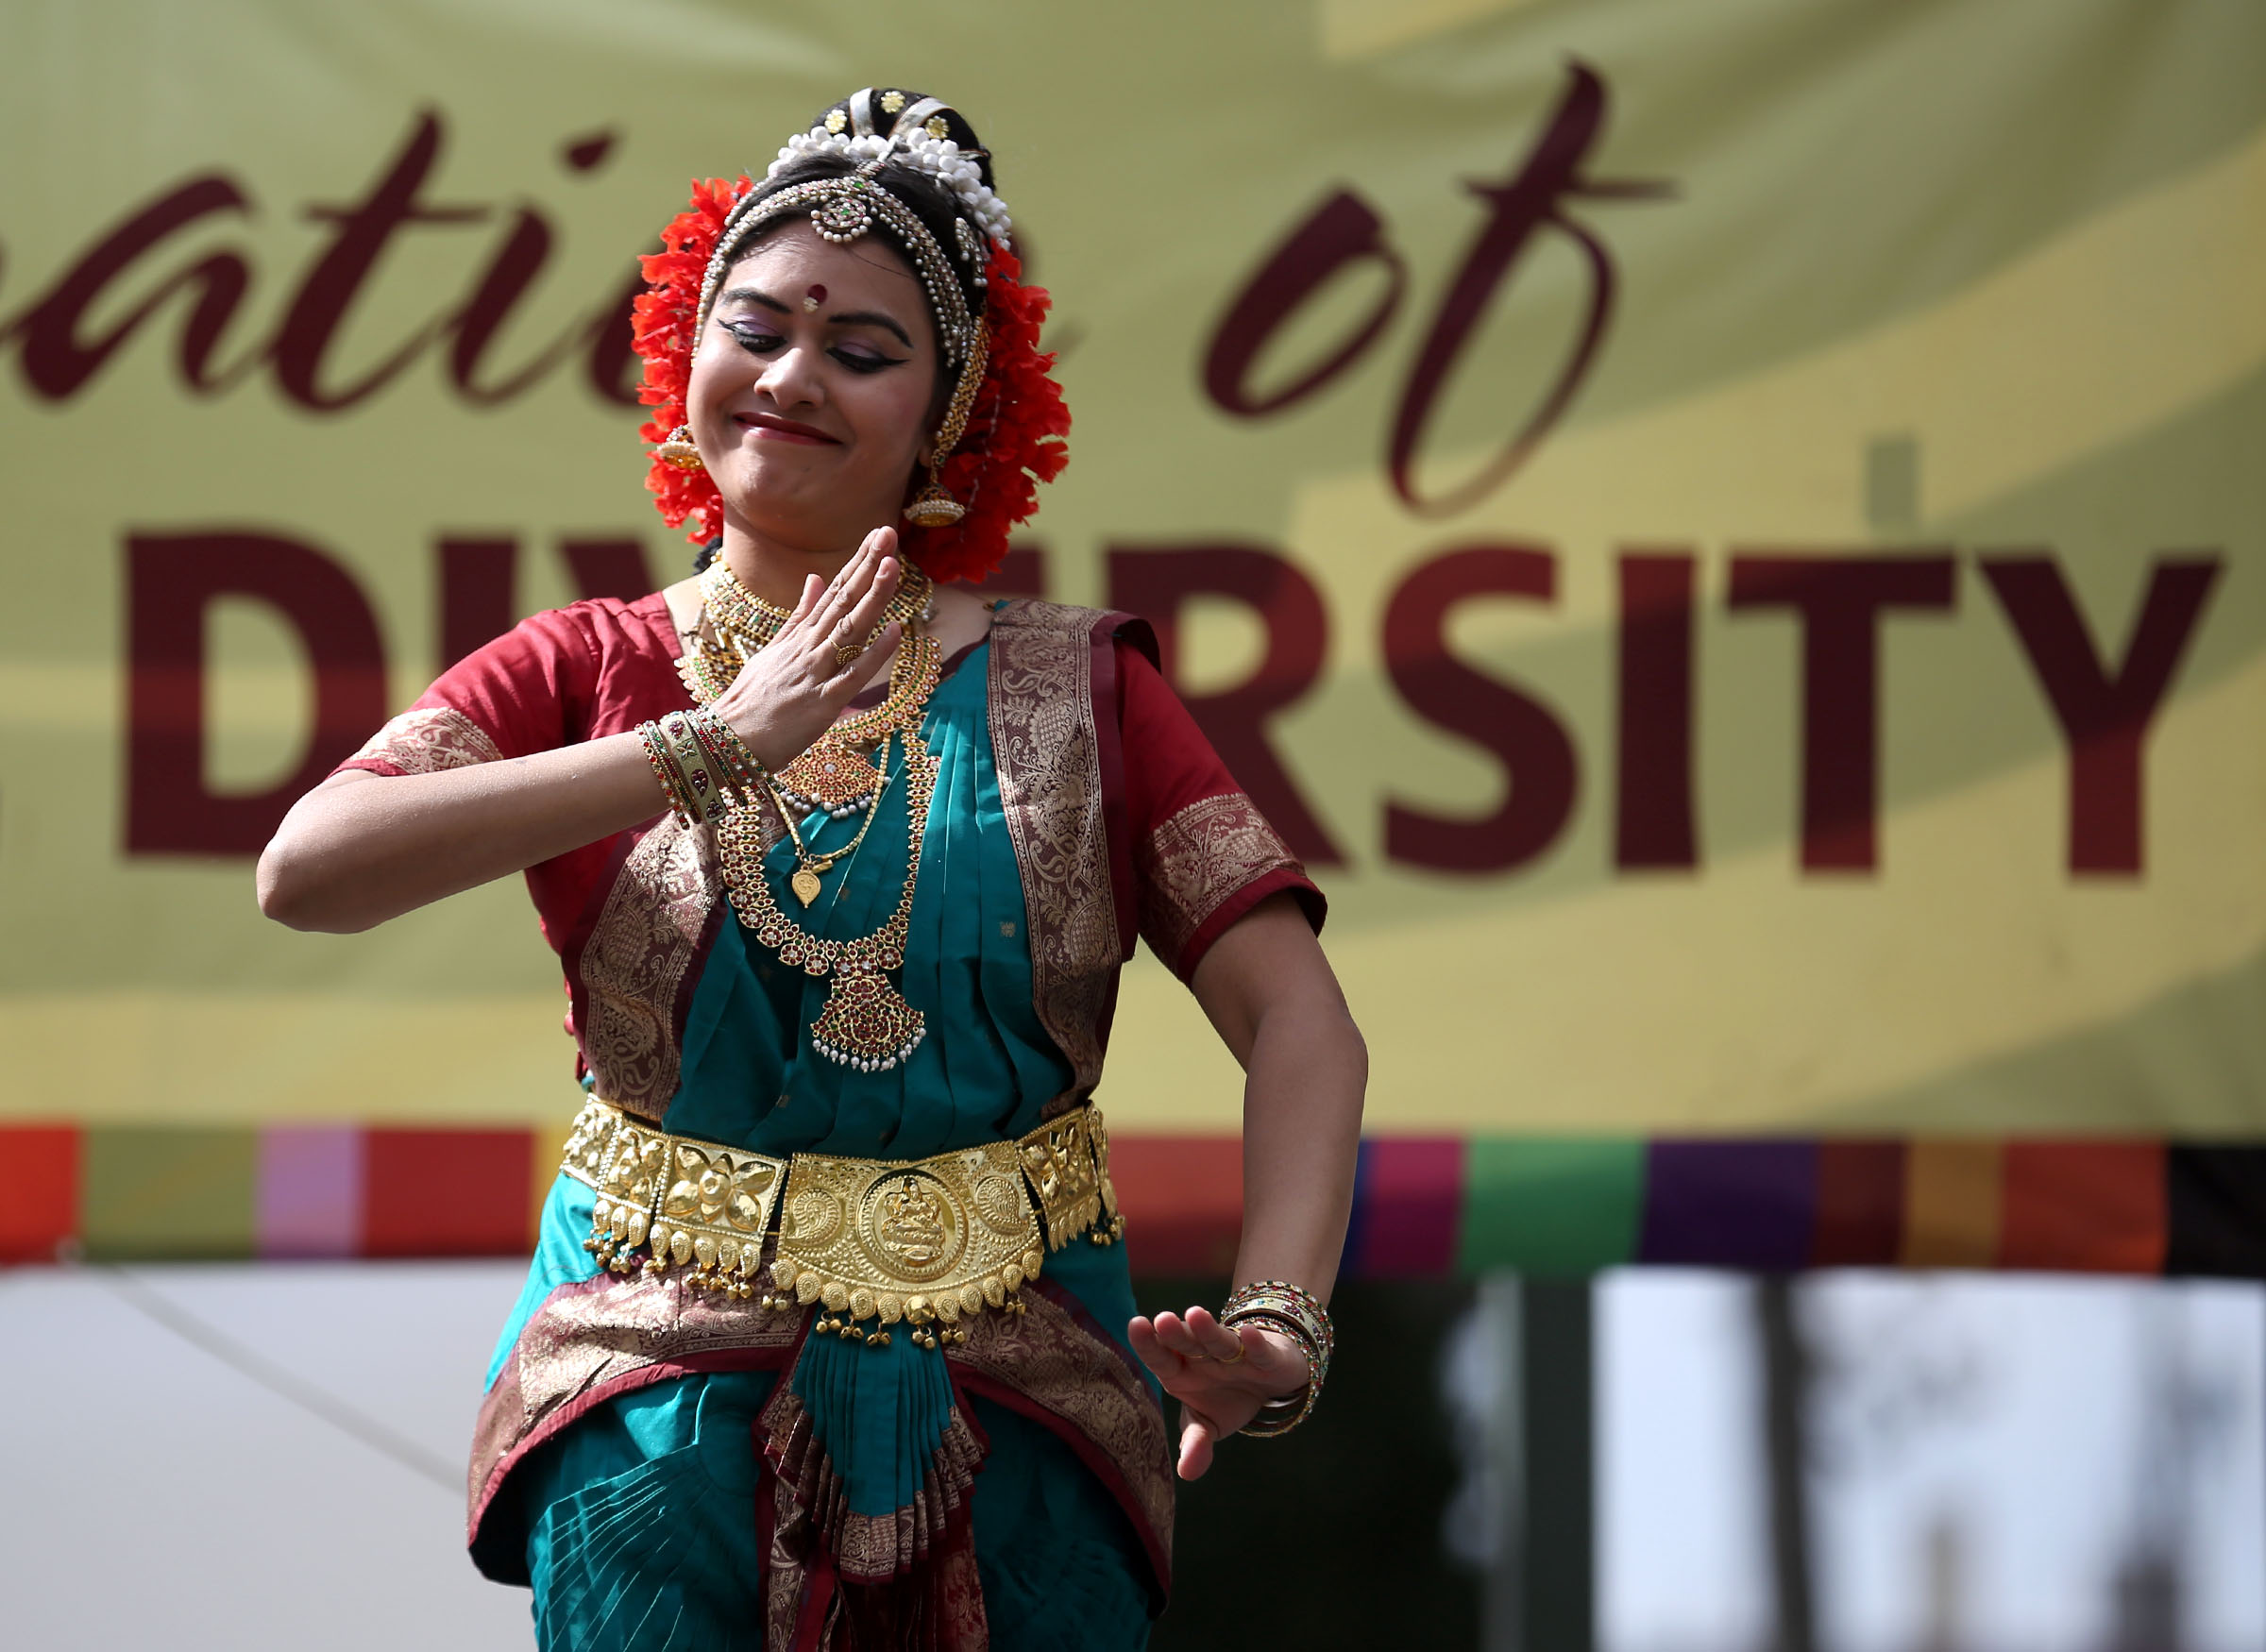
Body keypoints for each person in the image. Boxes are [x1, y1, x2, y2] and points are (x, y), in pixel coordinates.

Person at [258, 87, 1365, 1652]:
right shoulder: (588, 667)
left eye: (861, 352)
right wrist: (715, 740)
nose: (791, 378)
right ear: (685, 351)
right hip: (654, 1385)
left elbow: (1303, 1020)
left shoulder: (1082, 691)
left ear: (950, 418)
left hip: (1031, 1388)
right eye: (757, 328)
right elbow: (311, 866)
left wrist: (1277, 1319)